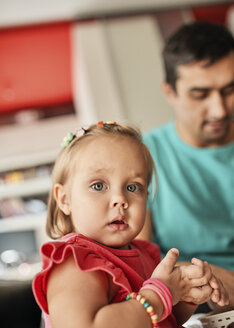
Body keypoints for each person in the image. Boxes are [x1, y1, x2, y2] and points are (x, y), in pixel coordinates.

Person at [32, 121, 228, 328]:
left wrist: (186, 293)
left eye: (133, 187)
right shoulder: (74, 261)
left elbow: (160, 318)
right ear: (64, 199)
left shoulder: (145, 254)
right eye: (98, 185)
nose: (120, 199)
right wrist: (159, 294)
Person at [140, 21, 234, 310]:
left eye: (230, 90)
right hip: (192, 306)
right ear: (170, 92)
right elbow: (135, 258)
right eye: (200, 94)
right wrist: (210, 276)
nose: (219, 109)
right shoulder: (142, 157)